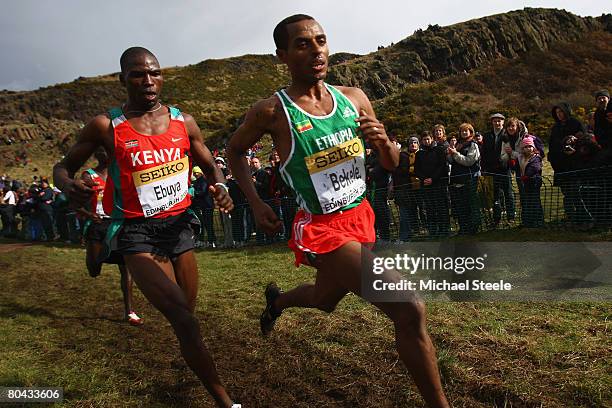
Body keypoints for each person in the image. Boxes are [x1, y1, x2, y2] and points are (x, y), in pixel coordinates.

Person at [227, 15, 449, 408]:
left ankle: (276, 303)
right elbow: (234, 152)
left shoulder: (354, 97)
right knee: (408, 308)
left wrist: (383, 144)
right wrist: (256, 201)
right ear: (282, 55)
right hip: (320, 227)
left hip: (359, 216)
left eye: (321, 40)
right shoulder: (272, 112)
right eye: (302, 44)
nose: (315, 50)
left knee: (325, 300)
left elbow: (393, 162)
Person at [53, 47, 238, 408]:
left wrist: (221, 186)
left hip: (180, 226)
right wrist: (67, 185)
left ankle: (192, 358)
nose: (148, 80)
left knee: (188, 314)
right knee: (184, 321)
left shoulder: (183, 121)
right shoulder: (106, 126)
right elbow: (63, 167)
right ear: (123, 79)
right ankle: (226, 402)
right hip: (136, 233)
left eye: (154, 73)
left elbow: (209, 163)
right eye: (138, 74)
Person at [79, 147, 143, 325]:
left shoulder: (122, 172)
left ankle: (129, 311)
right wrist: (87, 214)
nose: (105, 154)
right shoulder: (88, 176)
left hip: (119, 223)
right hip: (98, 225)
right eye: (100, 151)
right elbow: (73, 201)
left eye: (107, 150)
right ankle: (93, 258)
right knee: (94, 271)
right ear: (96, 155)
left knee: (126, 266)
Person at [481, 113, 515, 227]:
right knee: (495, 195)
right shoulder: (487, 136)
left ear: (503, 122)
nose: (497, 123)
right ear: (492, 122)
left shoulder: (507, 134)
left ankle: (511, 217)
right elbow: (484, 153)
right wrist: (484, 168)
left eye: (499, 121)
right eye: (495, 121)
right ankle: (497, 218)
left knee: (508, 193)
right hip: (491, 170)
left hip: (505, 169)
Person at [447, 123, 481, 235]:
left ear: (471, 132)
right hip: (457, 179)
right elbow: (451, 161)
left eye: (467, 131)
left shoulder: (473, 145)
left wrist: (455, 154)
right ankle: (463, 228)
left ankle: (473, 228)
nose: (464, 133)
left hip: (470, 179)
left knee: (471, 204)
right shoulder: (458, 144)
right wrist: (450, 155)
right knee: (460, 205)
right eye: (462, 131)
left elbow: (469, 161)